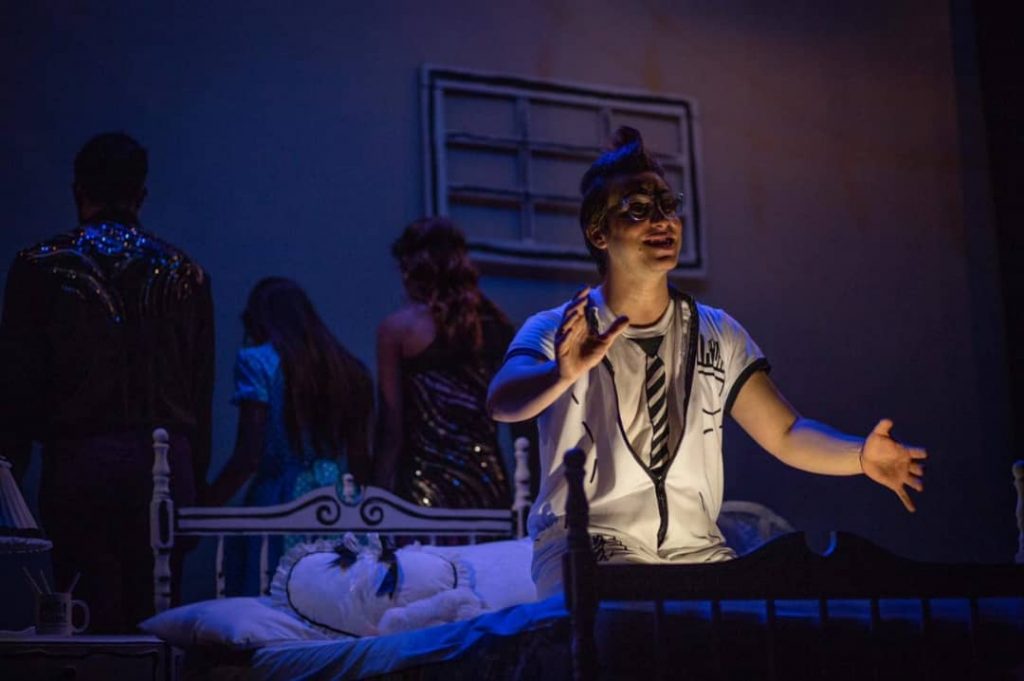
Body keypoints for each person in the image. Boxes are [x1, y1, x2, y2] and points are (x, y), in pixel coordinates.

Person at [486, 127, 927, 598]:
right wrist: (561, 373)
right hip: (592, 547)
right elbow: (502, 400)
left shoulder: (717, 331)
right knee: (634, 621)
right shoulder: (558, 328)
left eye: (667, 205)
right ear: (599, 232)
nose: (662, 220)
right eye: (638, 209)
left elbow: (785, 432)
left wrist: (859, 455)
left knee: (768, 613)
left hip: (695, 552)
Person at [0, 132, 214, 631]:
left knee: (85, 620)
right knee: (158, 618)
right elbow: (199, 389)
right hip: (165, 461)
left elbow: (16, 384)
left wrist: (8, 476)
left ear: (79, 191)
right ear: (141, 193)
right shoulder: (186, 273)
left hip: (80, 463)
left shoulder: (41, 265)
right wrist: (196, 484)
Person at [207, 277, 373, 592]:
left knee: (273, 591)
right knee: (335, 596)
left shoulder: (258, 361)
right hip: (339, 497)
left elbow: (249, 455)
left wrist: (204, 506)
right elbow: (359, 457)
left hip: (280, 497)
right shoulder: (348, 368)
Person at [373, 218, 517, 509]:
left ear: (409, 269)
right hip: (488, 487)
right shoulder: (498, 324)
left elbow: (391, 428)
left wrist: (375, 499)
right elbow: (521, 420)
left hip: (423, 495)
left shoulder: (397, 329)